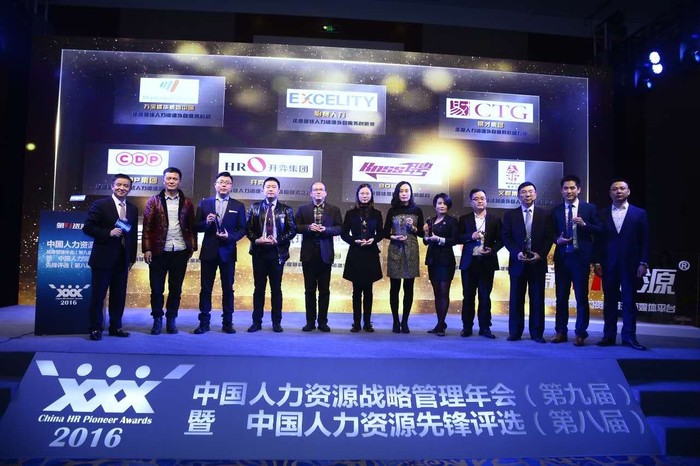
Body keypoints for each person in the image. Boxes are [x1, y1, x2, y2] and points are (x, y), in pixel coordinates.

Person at [593, 178, 650, 351]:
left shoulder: (639, 213)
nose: (618, 191)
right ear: (610, 193)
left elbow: (645, 240)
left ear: (628, 191)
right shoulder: (601, 213)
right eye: (615, 189)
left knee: (629, 301)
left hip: (631, 265)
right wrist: (596, 261)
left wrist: (643, 262)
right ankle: (608, 336)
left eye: (622, 188)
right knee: (609, 301)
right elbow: (598, 241)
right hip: (608, 264)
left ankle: (629, 337)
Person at [142, 167, 198, 335]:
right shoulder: (153, 201)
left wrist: (191, 247)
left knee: (176, 289)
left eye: (175, 179)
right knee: (156, 289)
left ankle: (171, 318)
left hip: (180, 250)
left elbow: (191, 227)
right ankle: (157, 319)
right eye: (169, 178)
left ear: (179, 181)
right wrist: (147, 248)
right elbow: (147, 227)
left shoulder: (187, 202)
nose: (171, 181)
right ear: (163, 180)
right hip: (159, 251)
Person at [83, 173, 138, 341]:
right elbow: (88, 227)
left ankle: (116, 327)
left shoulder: (133, 208)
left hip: (122, 260)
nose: (122, 188)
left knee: (118, 296)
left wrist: (131, 258)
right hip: (102, 258)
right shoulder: (100, 205)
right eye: (119, 185)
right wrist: (108, 232)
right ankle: (95, 328)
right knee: (98, 296)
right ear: (112, 186)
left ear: (130, 188)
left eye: (126, 186)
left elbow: (132, 235)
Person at [549, 175, 601, 347]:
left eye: (572, 188)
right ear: (561, 191)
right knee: (561, 297)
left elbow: (600, 230)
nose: (569, 191)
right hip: (563, 258)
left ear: (579, 189)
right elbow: (550, 232)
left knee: (581, 298)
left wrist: (585, 224)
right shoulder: (556, 210)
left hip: (581, 259)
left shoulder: (589, 208)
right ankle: (560, 332)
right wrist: (557, 240)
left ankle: (580, 334)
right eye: (566, 188)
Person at [193, 171, 247, 334]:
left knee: (228, 289)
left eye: (227, 182)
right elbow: (196, 226)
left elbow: (242, 229)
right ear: (215, 185)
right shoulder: (205, 203)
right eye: (221, 182)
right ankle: (204, 322)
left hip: (228, 252)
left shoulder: (238, 206)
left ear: (231, 186)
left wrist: (230, 237)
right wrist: (206, 222)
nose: (224, 185)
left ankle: (227, 322)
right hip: (209, 251)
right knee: (206, 288)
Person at [501, 181, 553, 343]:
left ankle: (537, 333)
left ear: (535, 194)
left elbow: (549, 237)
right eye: (523, 192)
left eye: (530, 191)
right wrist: (516, 252)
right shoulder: (510, 215)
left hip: (537, 263)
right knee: (516, 299)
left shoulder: (545, 215)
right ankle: (515, 332)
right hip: (518, 263)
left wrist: (541, 254)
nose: (527, 194)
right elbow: (506, 237)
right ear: (518, 196)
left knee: (537, 299)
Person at [246, 176, 297, 333]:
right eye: (268, 186)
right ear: (263, 189)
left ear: (278, 190)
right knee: (259, 289)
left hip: (277, 253)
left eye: (274, 187)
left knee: (276, 289)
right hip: (259, 253)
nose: (270, 189)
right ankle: (256, 322)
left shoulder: (286, 209)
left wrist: (278, 240)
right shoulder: (254, 207)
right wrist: (256, 239)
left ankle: (277, 322)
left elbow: (292, 230)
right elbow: (248, 229)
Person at [295, 181, 343, 332]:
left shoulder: (334, 209)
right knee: (309, 290)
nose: (318, 192)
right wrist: (308, 227)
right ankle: (310, 322)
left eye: (321, 190)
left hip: (325, 255)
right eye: (315, 190)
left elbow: (339, 228)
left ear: (325, 193)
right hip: (308, 255)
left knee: (324, 290)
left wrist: (326, 230)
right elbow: (295, 227)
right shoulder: (303, 209)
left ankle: (322, 322)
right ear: (311, 193)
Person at [457, 188, 503, 338]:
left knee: (485, 296)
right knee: (468, 296)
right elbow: (458, 237)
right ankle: (467, 327)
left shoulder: (495, 219)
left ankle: (485, 327)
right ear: (471, 202)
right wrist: (470, 236)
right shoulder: (464, 219)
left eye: (482, 198)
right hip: (469, 263)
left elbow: (501, 240)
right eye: (476, 199)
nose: (480, 201)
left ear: (486, 201)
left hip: (487, 262)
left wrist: (492, 250)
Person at [341, 183, 384, 333]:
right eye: (362, 193)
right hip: (356, 253)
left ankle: (367, 322)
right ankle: (356, 322)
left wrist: (373, 239)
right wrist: (354, 241)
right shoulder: (350, 213)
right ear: (357, 196)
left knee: (368, 290)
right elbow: (344, 234)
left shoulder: (377, 213)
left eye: (367, 193)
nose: (364, 196)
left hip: (370, 253)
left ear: (371, 196)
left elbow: (381, 233)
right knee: (356, 291)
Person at [383, 180, 424, 333]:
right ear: (397, 193)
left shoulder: (417, 210)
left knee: (408, 287)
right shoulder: (392, 210)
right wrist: (394, 237)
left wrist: (413, 227)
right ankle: (395, 320)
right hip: (395, 249)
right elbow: (385, 232)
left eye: (407, 191)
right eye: (401, 191)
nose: (404, 193)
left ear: (411, 193)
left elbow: (422, 233)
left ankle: (405, 321)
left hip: (411, 250)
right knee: (394, 288)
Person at [422, 193, 458, 337]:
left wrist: (439, 239)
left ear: (448, 206)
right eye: (439, 203)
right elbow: (426, 241)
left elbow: (454, 240)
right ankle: (440, 323)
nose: (442, 206)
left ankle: (441, 324)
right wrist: (426, 234)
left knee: (444, 291)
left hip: (446, 260)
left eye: (444, 203)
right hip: (433, 260)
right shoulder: (430, 221)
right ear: (435, 205)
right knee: (437, 292)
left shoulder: (452, 221)